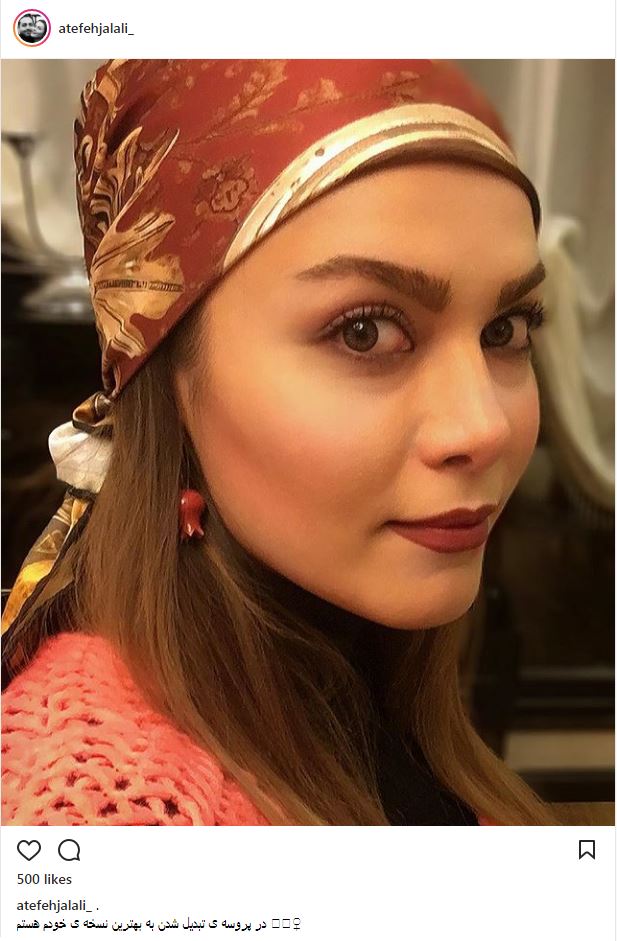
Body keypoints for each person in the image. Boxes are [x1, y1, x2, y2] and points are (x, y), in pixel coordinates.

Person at [1, 59, 558, 826]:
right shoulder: (104, 810)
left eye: (505, 329)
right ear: (166, 376)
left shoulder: (363, 672)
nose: (484, 427)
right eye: (364, 332)